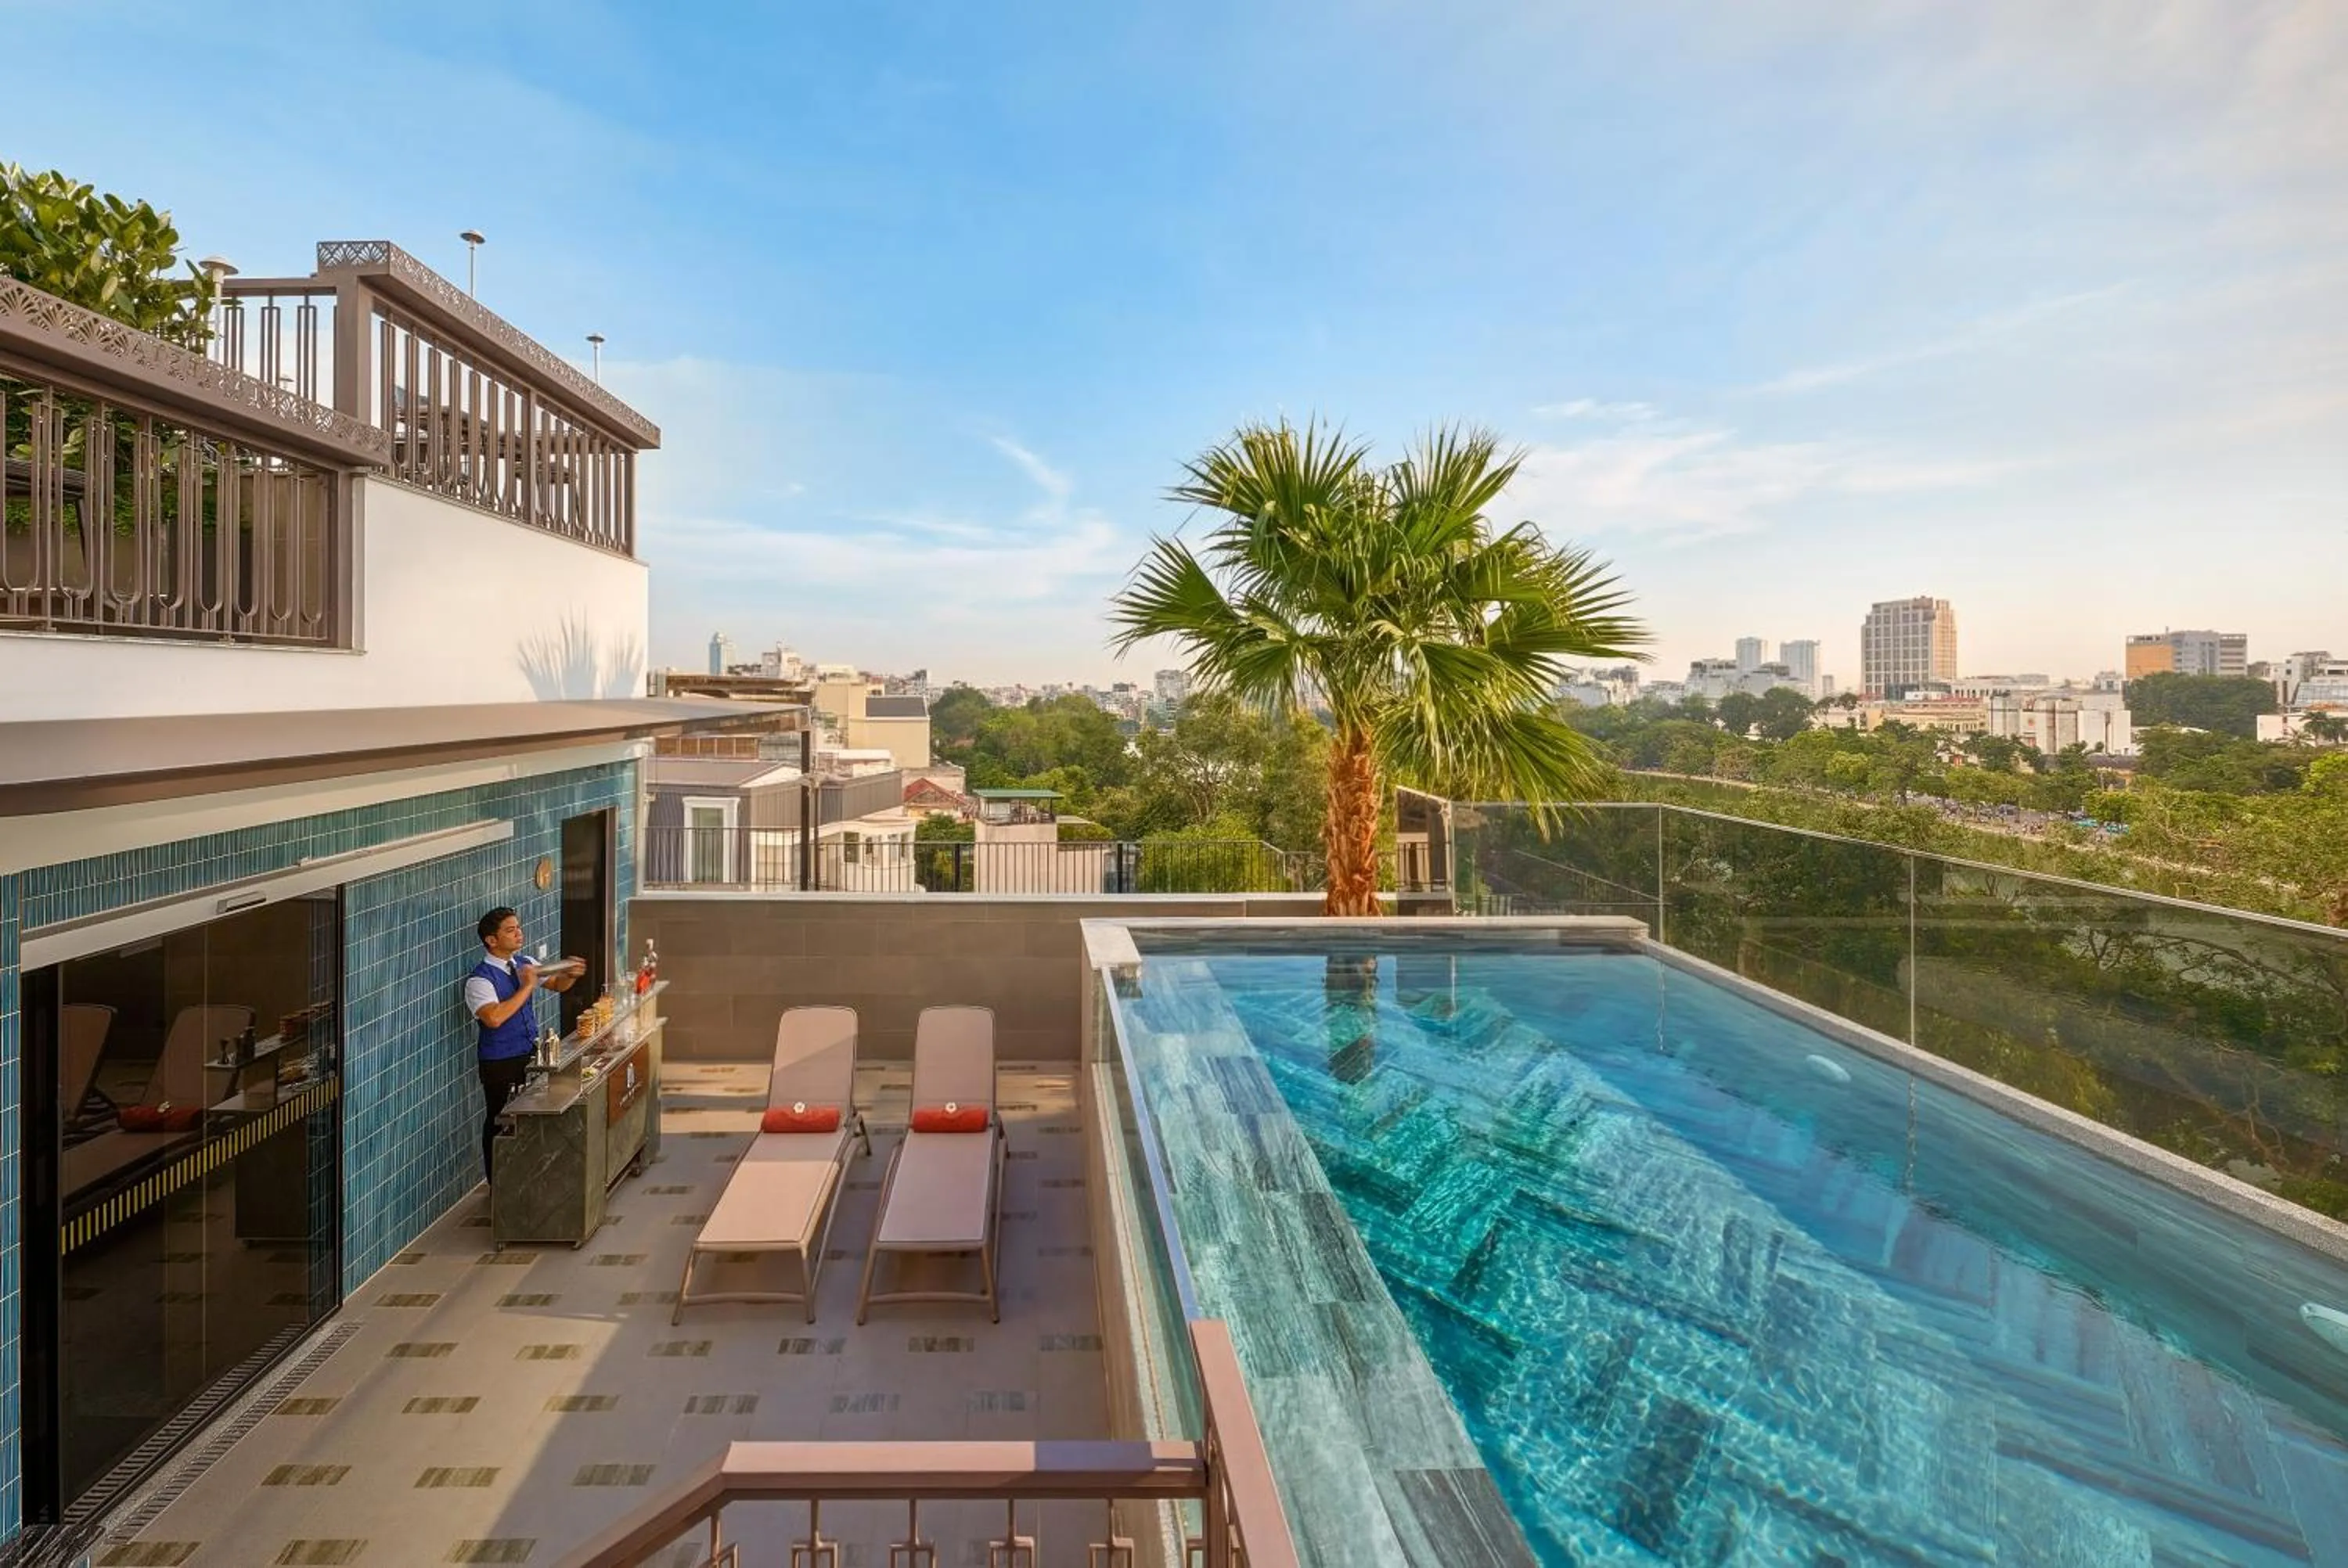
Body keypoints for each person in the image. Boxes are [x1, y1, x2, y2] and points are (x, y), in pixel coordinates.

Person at [464, 908, 580, 1184]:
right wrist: (527, 986)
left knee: (529, 1117)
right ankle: (499, 1184)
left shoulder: (524, 963)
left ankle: (527, 1177)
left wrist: (572, 974)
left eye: (518, 928)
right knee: (500, 1119)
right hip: (499, 1062)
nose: (519, 933)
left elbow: (557, 984)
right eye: (510, 930)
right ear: (491, 940)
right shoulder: (479, 980)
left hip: (528, 1053)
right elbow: (494, 1018)